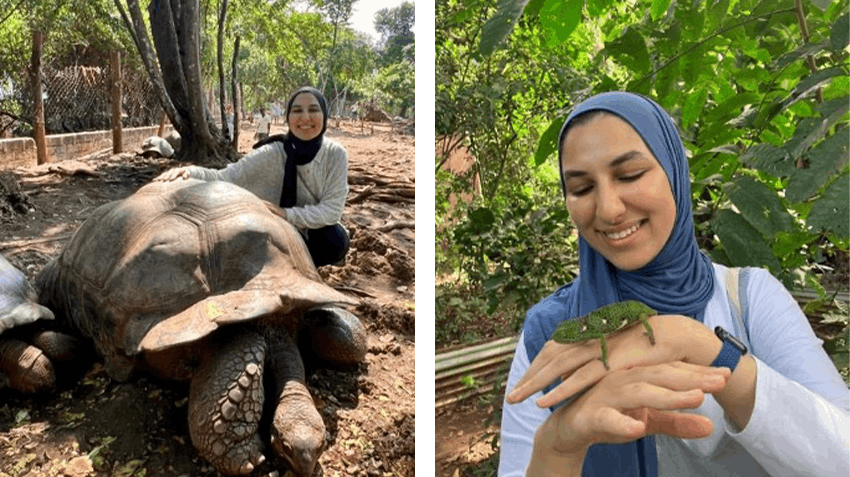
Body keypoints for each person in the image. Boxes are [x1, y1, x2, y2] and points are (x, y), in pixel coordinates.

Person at [499, 92, 849, 476]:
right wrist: (560, 448)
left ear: (674, 173)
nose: (609, 210)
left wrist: (708, 350)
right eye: (581, 189)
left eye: (630, 175)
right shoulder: (548, 331)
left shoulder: (749, 298)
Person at [154, 86, 350, 267]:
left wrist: (287, 215)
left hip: (310, 230)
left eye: (314, 110)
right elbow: (226, 177)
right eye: (297, 111)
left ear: (325, 115)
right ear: (288, 118)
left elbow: (332, 210)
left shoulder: (335, 155)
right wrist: (191, 172)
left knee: (335, 241)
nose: (305, 117)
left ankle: (304, 264)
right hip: (273, 229)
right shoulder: (272, 153)